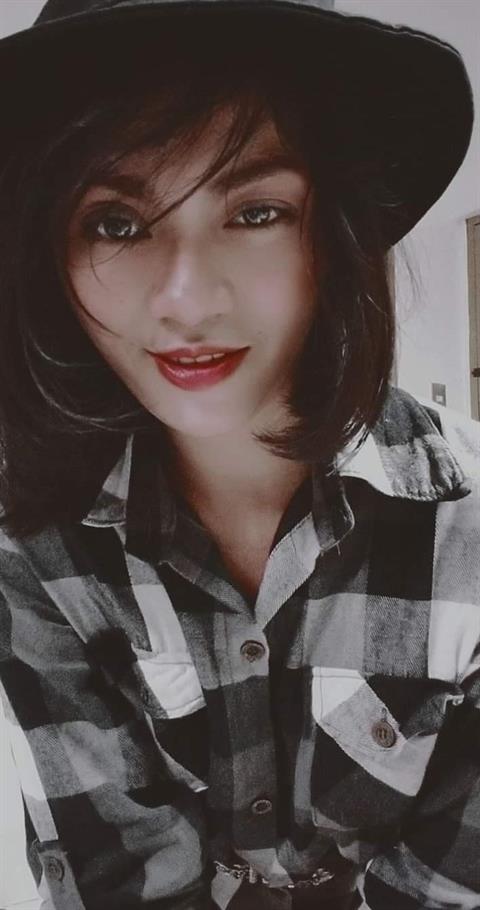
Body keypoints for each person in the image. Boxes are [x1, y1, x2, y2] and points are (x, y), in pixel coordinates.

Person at [0, 0, 478, 907]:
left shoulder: (470, 527)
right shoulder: (35, 544)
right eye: (116, 223)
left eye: (256, 212)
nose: (186, 298)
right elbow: (121, 881)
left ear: (332, 234)